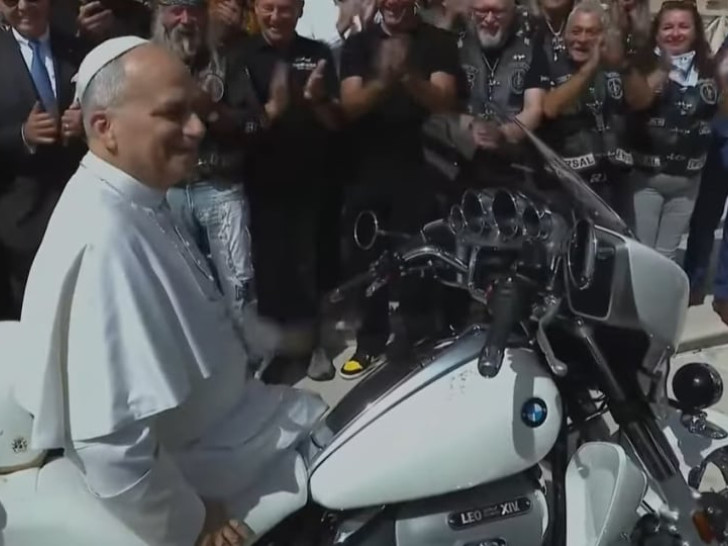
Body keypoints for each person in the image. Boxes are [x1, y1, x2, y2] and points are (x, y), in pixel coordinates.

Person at [17, 37, 326, 546]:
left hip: (241, 426)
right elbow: (111, 449)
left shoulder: (136, 195)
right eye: (173, 113)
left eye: (195, 110)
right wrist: (193, 519)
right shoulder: (104, 238)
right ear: (105, 128)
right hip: (218, 467)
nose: (198, 127)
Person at [338, 0, 459, 378]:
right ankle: (371, 341)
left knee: (418, 258)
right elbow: (350, 105)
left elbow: (444, 99)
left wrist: (406, 74)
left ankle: (418, 339)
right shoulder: (358, 44)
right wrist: (385, 80)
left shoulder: (438, 41)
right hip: (366, 170)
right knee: (367, 260)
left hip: (421, 168)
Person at [153, 0, 262, 359]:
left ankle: (250, 367)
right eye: (176, 9)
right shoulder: (144, 65)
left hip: (220, 188)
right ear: (160, 14)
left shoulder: (228, 60)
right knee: (186, 291)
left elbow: (252, 123)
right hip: (168, 193)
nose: (186, 19)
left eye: (194, 9)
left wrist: (211, 110)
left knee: (238, 286)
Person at [243, 0, 342, 383]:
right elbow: (237, 123)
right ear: (255, 8)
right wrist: (272, 109)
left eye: (285, 8)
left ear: (300, 10)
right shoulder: (242, 55)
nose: (275, 17)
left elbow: (336, 122)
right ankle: (279, 350)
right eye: (268, 7)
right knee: (269, 266)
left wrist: (317, 101)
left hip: (311, 176)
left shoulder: (317, 53)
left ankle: (313, 345)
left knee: (309, 264)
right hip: (260, 178)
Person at [0, 0, 86, 319]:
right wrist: (23, 134)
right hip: (22, 222)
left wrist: (86, 124)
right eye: (11, 0)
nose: (24, 6)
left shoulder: (78, 49)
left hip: (79, 212)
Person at [626, 0, 725, 260]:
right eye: (668, 27)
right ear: (657, 32)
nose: (676, 33)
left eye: (683, 26)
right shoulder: (643, 64)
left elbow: (720, 110)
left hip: (688, 183)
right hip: (647, 180)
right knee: (643, 255)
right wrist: (663, 70)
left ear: (695, 31)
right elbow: (636, 101)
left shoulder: (708, 67)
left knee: (667, 257)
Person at [541, 0, 634, 209]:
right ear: (565, 35)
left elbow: (640, 101)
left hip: (614, 181)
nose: (582, 39)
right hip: (567, 184)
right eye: (576, 31)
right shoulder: (551, 63)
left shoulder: (614, 65)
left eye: (591, 32)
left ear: (603, 36)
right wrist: (590, 67)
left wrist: (623, 64)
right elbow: (550, 107)